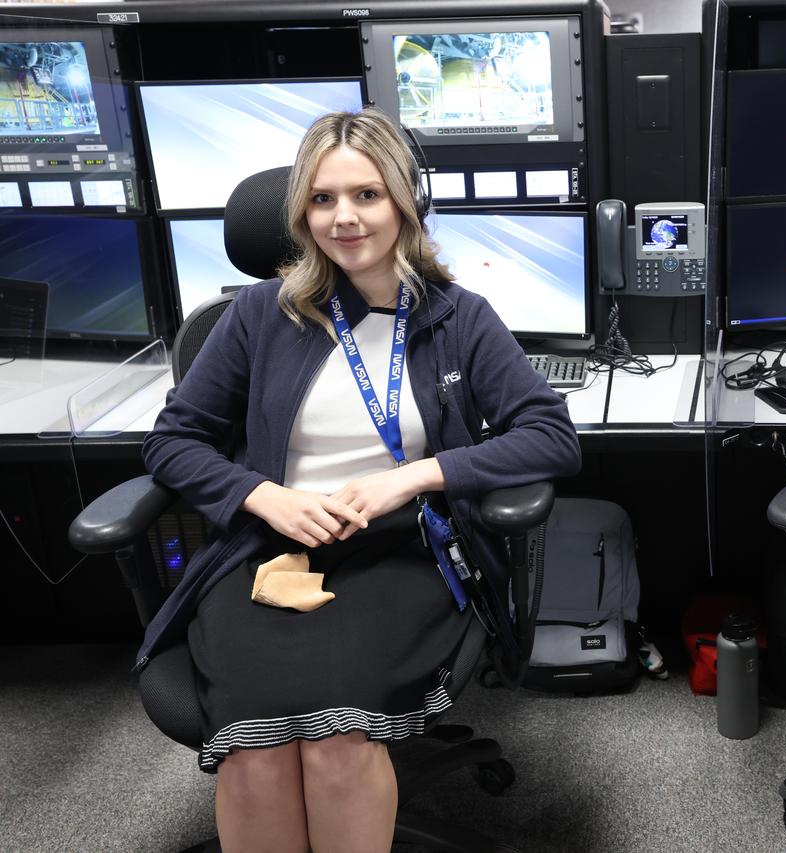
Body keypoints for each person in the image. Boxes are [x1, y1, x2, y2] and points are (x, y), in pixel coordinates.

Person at [138, 108, 580, 852]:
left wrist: (413, 477)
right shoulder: (258, 315)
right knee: (255, 752)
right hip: (271, 552)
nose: (344, 217)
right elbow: (172, 441)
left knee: (338, 745)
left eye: (367, 195)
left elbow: (551, 437)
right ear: (301, 213)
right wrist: (260, 494)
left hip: (402, 551)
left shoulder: (456, 317)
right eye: (322, 198)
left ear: (406, 202)